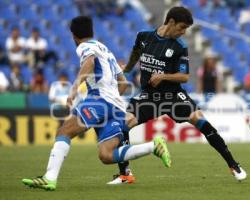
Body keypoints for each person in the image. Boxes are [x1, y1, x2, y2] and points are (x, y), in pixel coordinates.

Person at [21, 16, 171, 191]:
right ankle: (153, 146)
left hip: (98, 100)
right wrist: (111, 101)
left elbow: (89, 62)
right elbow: (122, 82)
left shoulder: (85, 47)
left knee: (64, 131)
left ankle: (49, 178)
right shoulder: (105, 50)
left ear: (74, 36)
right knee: (106, 155)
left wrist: (75, 88)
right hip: (115, 106)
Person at [108, 6, 247, 184]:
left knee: (204, 124)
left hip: (173, 97)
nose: (183, 32)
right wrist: (126, 71)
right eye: (182, 27)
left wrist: (163, 76)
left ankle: (233, 165)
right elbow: (136, 53)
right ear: (171, 22)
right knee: (123, 126)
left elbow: (184, 76)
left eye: (186, 29)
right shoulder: (144, 36)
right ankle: (125, 174)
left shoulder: (180, 47)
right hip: (149, 96)